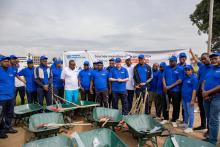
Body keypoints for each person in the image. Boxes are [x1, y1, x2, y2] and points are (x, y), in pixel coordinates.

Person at [190, 49, 212, 133]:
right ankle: (203, 125)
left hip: (208, 91)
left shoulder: (213, 67)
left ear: (209, 58)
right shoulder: (202, 65)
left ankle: (209, 129)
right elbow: (196, 60)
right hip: (199, 90)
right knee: (202, 108)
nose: (203, 60)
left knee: (208, 110)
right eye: (202, 59)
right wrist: (192, 53)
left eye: (205, 58)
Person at [202, 52, 220, 145]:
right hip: (207, 97)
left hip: (217, 98)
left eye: (215, 58)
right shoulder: (210, 69)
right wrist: (204, 92)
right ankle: (210, 135)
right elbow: (204, 81)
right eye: (212, 59)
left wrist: (207, 92)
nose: (213, 60)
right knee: (209, 117)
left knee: (214, 119)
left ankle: (212, 141)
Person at [162, 56, 183, 127]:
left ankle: (174, 119)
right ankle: (165, 118)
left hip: (176, 91)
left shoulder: (180, 69)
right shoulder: (166, 68)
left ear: (175, 62)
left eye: (172, 61)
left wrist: (169, 87)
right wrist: (165, 86)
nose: (170, 62)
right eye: (170, 61)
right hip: (166, 90)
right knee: (165, 104)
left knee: (176, 105)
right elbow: (163, 77)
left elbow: (180, 80)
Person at [0, 56, 18, 139]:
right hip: (1, 98)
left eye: (8, 61)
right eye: (5, 61)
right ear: (1, 62)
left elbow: (16, 74)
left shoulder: (12, 70)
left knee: (9, 114)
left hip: (11, 97)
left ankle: (8, 127)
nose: (7, 62)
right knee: (1, 115)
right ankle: (1, 131)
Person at [181, 65, 198, 133]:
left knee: (190, 113)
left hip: (189, 99)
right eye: (186, 70)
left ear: (192, 70)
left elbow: (194, 90)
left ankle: (190, 127)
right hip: (184, 98)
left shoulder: (194, 78)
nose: (187, 71)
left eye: (188, 69)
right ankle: (185, 123)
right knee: (185, 112)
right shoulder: (185, 77)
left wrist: (193, 100)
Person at [177, 52, 187, 122]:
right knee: (177, 104)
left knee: (184, 105)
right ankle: (176, 118)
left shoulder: (188, 67)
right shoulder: (176, 66)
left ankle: (184, 119)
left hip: (184, 88)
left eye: (183, 57)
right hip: (177, 88)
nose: (182, 58)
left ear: (185, 58)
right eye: (181, 57)